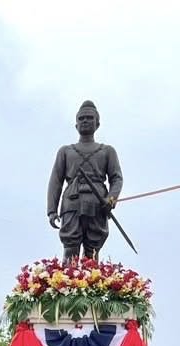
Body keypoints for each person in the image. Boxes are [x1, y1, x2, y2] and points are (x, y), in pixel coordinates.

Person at [46, 100, 124, 263]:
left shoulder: (107, 151)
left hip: (97, 202)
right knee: (70, 247)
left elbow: (116, 178)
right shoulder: (66, 151)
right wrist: (52, 210)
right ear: (76, 125)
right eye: (81, 118)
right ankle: (67, 283)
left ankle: (91, 285)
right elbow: (56, 181)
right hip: (71, 202)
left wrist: (111, 199)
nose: (85, 121)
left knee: (92, 250)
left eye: (89, 118)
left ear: (97, 124)